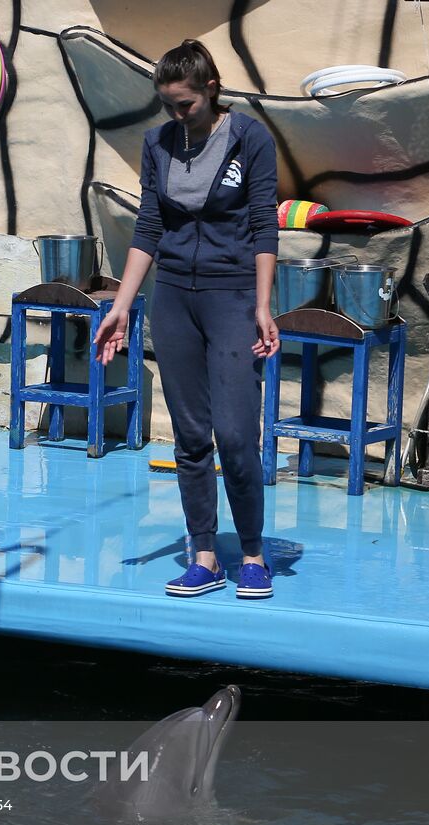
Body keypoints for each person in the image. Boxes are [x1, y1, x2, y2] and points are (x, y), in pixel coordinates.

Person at [92, 39, 280, 600]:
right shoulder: (159, 143)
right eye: (169, 105)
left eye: (186, 105)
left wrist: (264, 305)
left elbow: (264, 224)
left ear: (211, 90)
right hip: (175, 296)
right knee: (192, 437)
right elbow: (149, 226)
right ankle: (204, 553)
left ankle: (251, 552)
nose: (178, 115)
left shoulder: (250, 138)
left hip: (232, 296)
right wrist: (121, 305)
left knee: (236, 434)